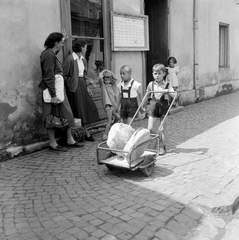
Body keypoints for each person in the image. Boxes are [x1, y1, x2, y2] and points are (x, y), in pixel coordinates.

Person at [38, 32, 83, 152]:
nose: (63, 44)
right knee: (50, 117)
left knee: (66, 115)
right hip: (52, 90)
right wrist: (53, 95)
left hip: (58, 89)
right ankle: (53, 143)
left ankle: (69, 139)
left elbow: (53, 59)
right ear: (56, 43)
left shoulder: (51, 53)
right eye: (62, 42)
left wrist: (64, 38)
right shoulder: (48, 54)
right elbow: (48, 76)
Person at [63, 41, 100, 142]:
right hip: (75, 87)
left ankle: (84, 132)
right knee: (79, 110)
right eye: (85, 47)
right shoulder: (70, 59)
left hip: (82, 85)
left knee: (88, 107)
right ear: (81, 48)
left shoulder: (83, 60)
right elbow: (64, 75)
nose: (86, 49)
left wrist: (88, 87)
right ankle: (84, 133)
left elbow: (85, 74)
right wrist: (71, 84)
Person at [143, 63, 176, 155]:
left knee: (162, 129)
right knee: (150, 128)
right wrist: (143, 105)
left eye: (159, 73)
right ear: (153, 74)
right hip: (153, 108)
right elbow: (147, 95)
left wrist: (169, 91)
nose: (157, 76)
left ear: (164, 74)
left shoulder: (167, 85)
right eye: (155, 73)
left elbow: (174, 95)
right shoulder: (151, 84)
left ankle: (162, 146)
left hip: (163, 109)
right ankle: (158, 138)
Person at [99, 69, 121, 140]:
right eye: (105, 77)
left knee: (118, 118)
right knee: (109, 120)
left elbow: (115, 78)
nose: (107, 79)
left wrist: (110, 74)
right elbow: (100, 76)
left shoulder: (112, 86)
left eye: (108, 78)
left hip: (113, 106)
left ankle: (111, 130)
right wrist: (105, 71)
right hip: (108, 106)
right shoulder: (103, 86)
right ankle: (105, 135)